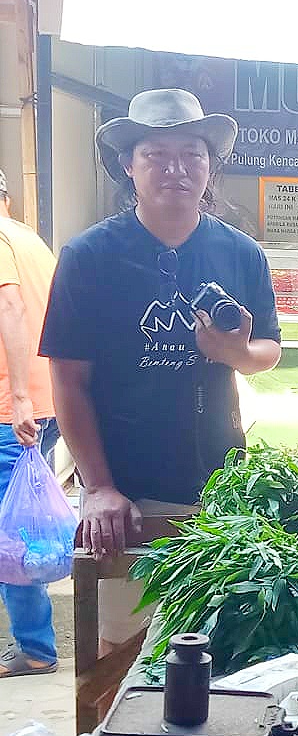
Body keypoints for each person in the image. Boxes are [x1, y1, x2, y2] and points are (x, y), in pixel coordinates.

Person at [39, 88, 282, 652]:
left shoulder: (241, 253)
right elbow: (68, 380)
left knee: (218, 653)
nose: (176, 168)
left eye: (192, 153)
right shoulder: (90, 257)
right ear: (129, 164)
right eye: (156, 155)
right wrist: (98, 486)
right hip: (127, 493)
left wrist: (235, 355)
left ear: (210, 162)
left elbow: (269, 349)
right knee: (123, 657)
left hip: (223, 489)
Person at [0, 169, 60, 676]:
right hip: (47, 401)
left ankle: (36, 648)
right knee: (24, 525)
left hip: (12, 411)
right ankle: (34, 640)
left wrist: (18, 397)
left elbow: (11, 305)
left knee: (13, 533)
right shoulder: (31, 240)